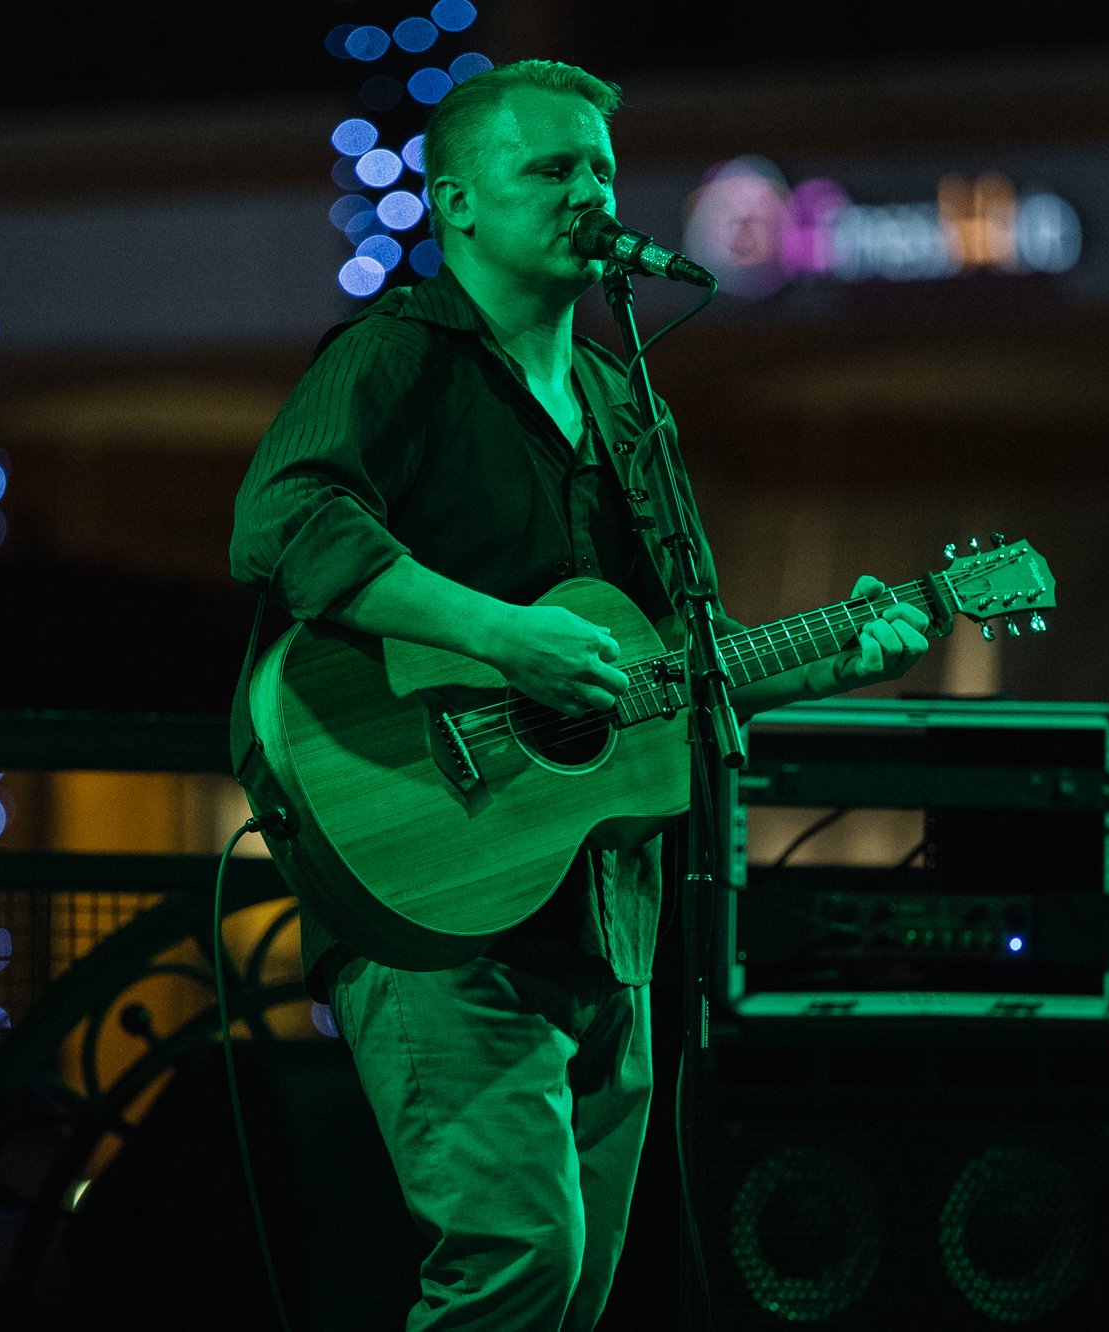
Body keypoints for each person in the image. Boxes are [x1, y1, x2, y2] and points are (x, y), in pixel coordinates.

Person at [229, 59, 929, 1331]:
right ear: (457, 204)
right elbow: (286, 521)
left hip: (604, 918)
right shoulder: (400, 356)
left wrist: (840, 654)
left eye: (600, 166)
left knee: (581, 1285)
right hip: (437, 899)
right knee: (518, 1260)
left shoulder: (625, 402)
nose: (589, 190)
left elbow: (671, 674)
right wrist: (506, 639)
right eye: (551, 168)